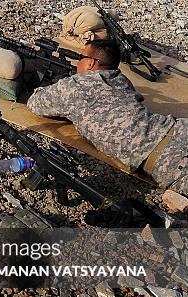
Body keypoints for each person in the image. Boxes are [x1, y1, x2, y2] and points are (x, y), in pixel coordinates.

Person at [26, 40, 187, 196]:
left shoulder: (73, 87)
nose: (78, 63)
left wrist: (59, 83)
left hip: (168, 161)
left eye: (81, 58)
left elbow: (34, 103)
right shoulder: (120, 79)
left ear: (90, 63)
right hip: (178, 129)